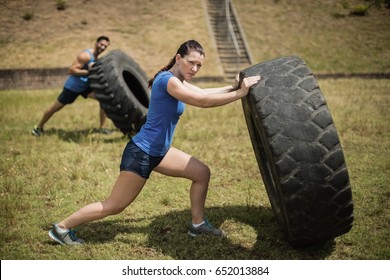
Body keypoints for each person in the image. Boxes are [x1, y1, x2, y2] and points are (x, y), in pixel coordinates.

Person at [48, 39, 261, 245]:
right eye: (191, 62)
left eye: (199, 65)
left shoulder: (179, 80)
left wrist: (232, 87)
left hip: (160, 152)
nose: (195, 68)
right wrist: (241, 93)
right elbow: (203, 101)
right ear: (179, 58)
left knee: (201, 173)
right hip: (142, 152)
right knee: (114, 205)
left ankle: (197, 225)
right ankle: (62, 228)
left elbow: (204, 92)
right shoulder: (168, 81)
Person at [31, 35, 111, 137]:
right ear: (96, 43)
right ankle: (38, 128)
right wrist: (88, 71)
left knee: (103, 99)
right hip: (72, 88)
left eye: (105, 46)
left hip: (85, 87)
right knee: (55, 108)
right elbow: (71, 70)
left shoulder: (96, 58)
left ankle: (102, 127)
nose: (103, 47)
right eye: (101, 44)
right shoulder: (86, 55)